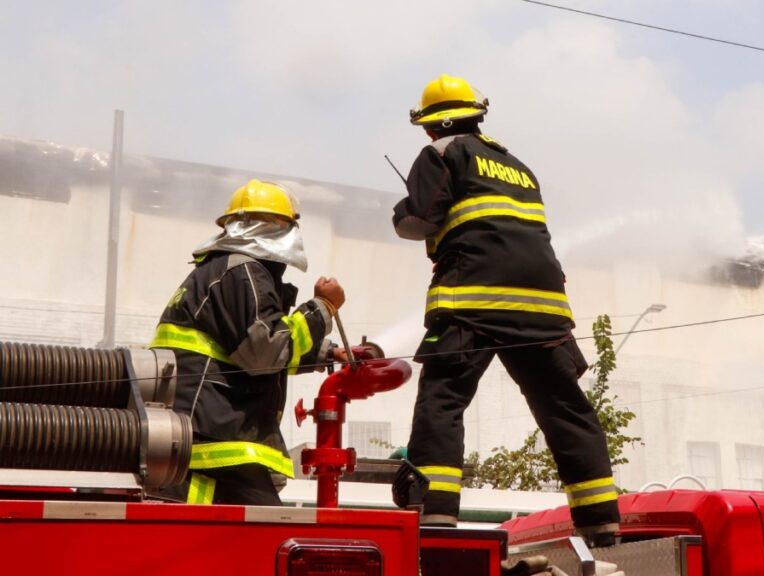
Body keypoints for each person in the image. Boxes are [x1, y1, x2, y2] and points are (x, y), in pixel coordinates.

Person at [393, 74, 620, 544]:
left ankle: (436, 516)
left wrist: (401, 212)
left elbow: (421, 218)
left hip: (471, 299)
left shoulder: (440, 153)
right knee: (564, 408)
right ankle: (601, 521)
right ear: (477, 114)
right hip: (543, 308)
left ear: (430, 125)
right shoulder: (518, 166)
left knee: (442, 401)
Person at [151, 179, 346, 505]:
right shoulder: (243, 270)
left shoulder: (221, 269)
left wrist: (327, 352)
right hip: (214, 432)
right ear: (281, 227)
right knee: (267, 534)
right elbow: (263, 352)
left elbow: (248, 347)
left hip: (199, 426)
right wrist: (322, 309)